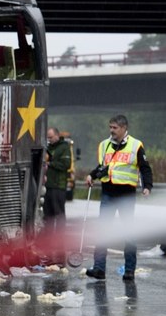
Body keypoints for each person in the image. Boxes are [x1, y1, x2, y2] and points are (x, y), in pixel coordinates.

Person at [85, 114, 153, 281]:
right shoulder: (104, 145)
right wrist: (91, 175)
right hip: (108, 192)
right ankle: (99, 269)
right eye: (110, 127)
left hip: (126, 195)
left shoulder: (135, 146)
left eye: (115, 128)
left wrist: (147, 187)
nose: (111, 131)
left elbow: (145, 168)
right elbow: (103, 166)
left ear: (123, 128)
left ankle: (129, 270)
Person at [43, 127, 72, 264]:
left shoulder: (64, 147)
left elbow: (66, 164)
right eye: (47, 138)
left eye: (51, 137)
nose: (49, 140)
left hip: (58, 186)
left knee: (59, 214)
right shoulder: (48, 148)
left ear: (57, 135)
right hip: (48, 186)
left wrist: (50, 164)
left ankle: (60, 243)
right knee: (47, 215)